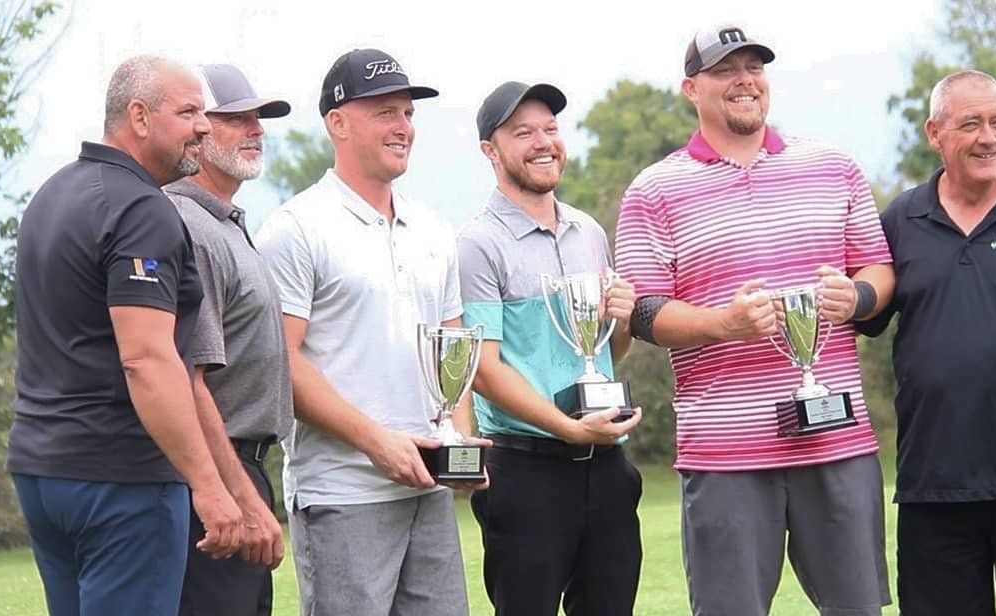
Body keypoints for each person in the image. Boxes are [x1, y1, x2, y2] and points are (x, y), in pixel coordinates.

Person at [614, 26, 896, 616]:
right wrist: (723, 325)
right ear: (692, 88)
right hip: (725, 450)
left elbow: (878, 265)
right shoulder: (655, 190)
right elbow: (641, 310)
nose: (744, 80)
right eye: (725, 70)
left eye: (754, 67)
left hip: (836, 440)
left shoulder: (834, 167)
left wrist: (860, 297)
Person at [7, 55, 243, 616]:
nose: (205, 127)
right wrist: (209, 488)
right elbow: (147, 359)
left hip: (43, 473)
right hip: (120, 480)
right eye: (188, 112)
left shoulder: (51, 195)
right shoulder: (143, 210)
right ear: (138, 116)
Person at [256, 49, 481, 616]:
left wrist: (461, 443)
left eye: (408, 114)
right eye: (385, 112)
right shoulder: (295, 228)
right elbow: (281, 361)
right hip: (343, 492)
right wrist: (377, 442)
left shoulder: (432, 227)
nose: (403, 127)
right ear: (337, 122)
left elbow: (452, 354)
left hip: (427, 490)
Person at [856, 70, 996, 616]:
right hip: (935, 488)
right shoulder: (900, 221)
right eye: (970, 123)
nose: (988, 137)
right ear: (934, 133)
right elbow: (865, 316)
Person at [456, 81, 644, 616]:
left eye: (550, 129)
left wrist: (622, 322)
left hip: (607, 468)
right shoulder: (476, 244)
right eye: (524, 133)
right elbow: (484, 370)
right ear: (490, 151)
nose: (544, 142)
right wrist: (568, 428)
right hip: (526, 472)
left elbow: (604, 355)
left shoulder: (588, 231)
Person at [164, 63, 293, 616]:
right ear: (196, 128)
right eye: (236, 119)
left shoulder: (226, 220)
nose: (255, 129)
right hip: (216, 476)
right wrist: (234, 491)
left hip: (242, 467)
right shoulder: (184, 222)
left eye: (257, 118)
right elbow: (187, 379)